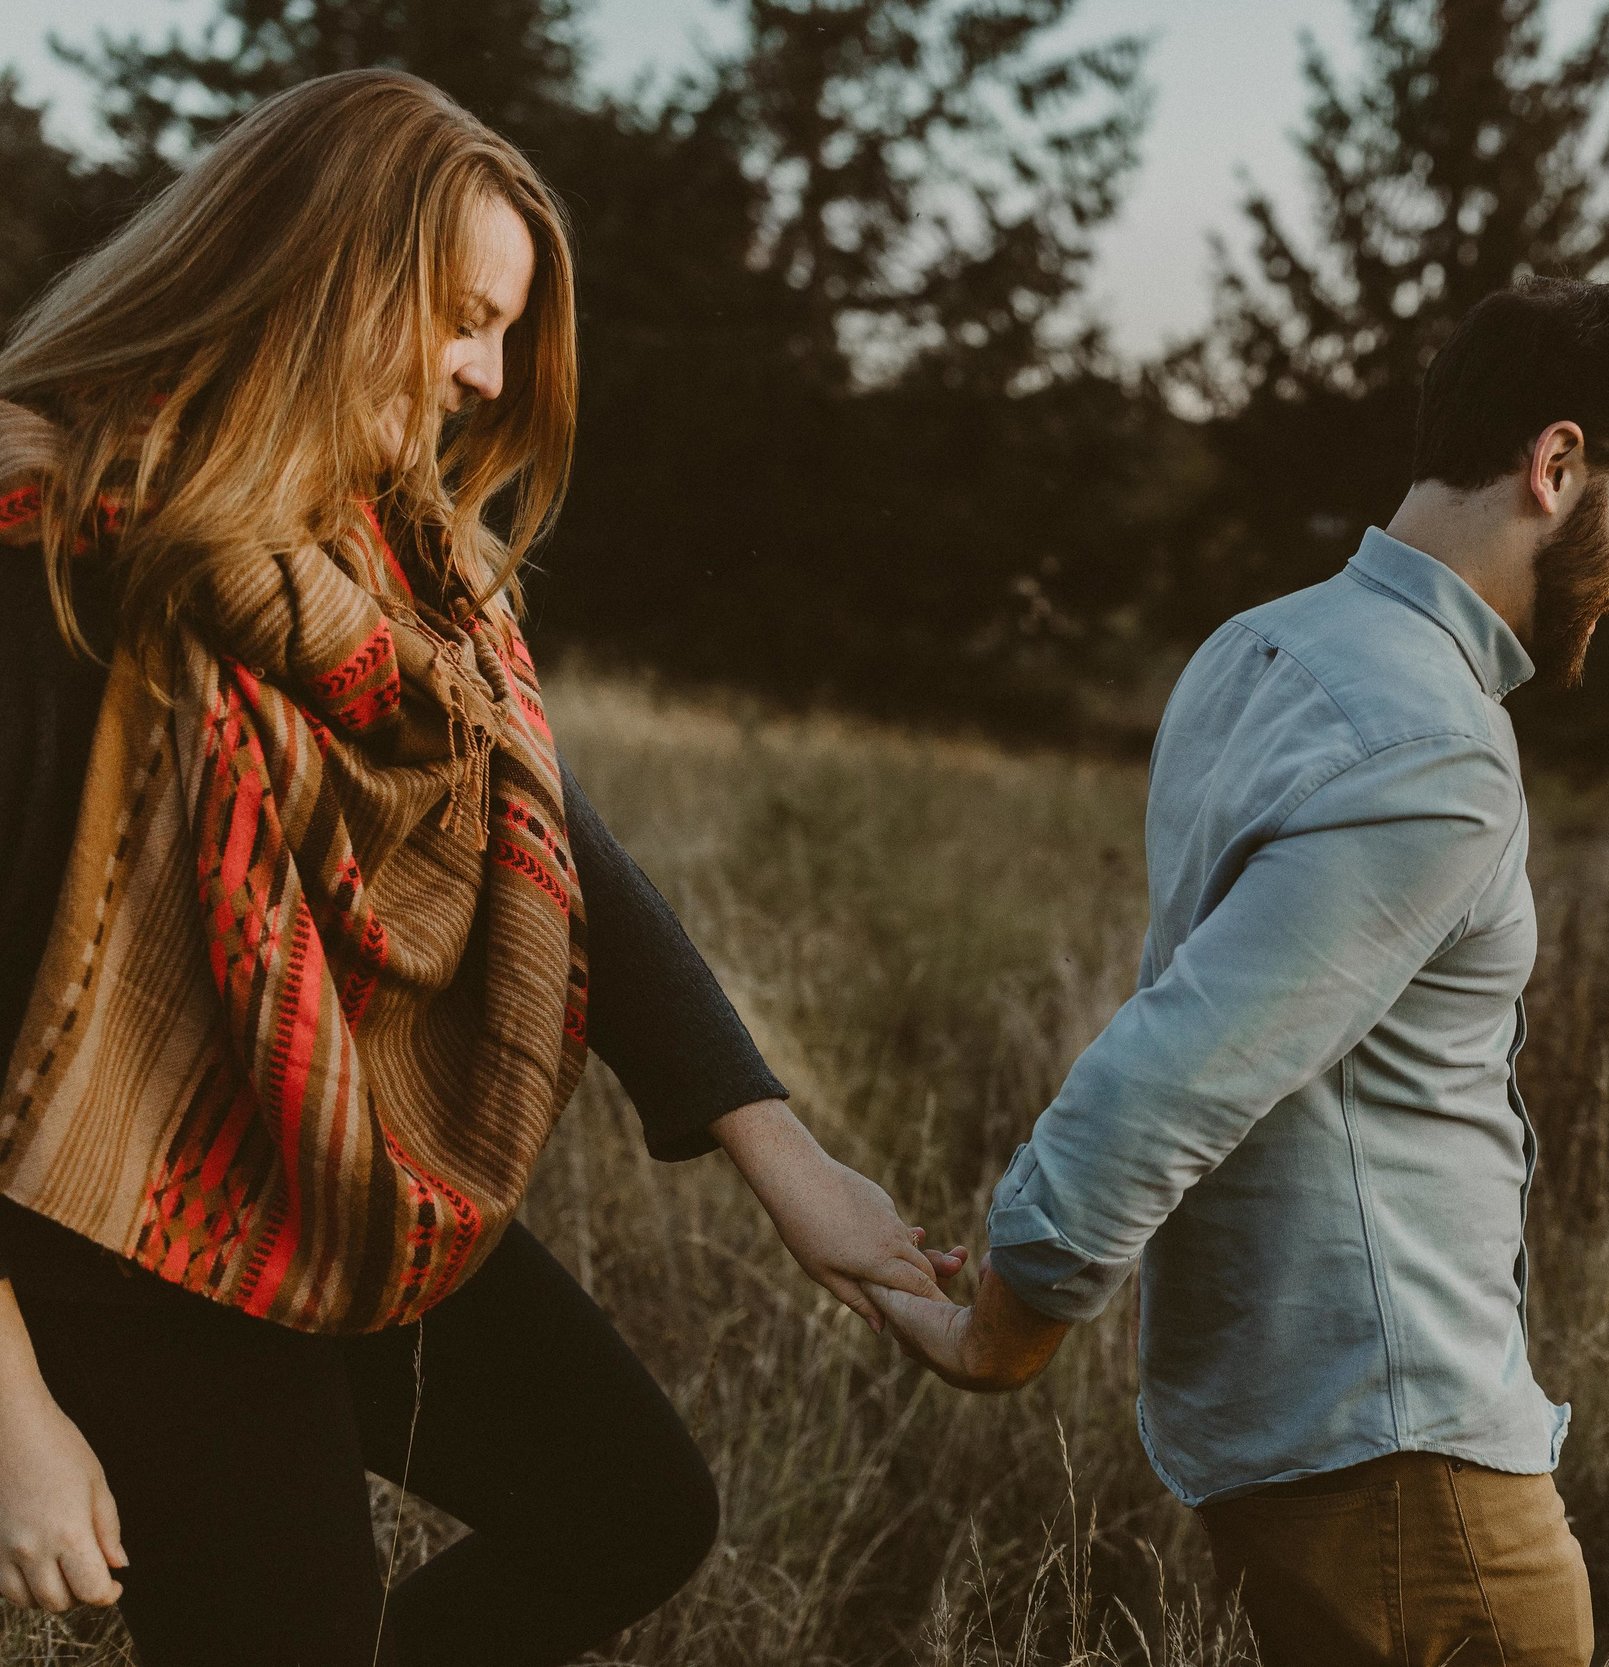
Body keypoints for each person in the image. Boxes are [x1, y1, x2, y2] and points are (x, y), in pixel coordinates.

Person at [0, 69, 957, 1664]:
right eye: (460, 316)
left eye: (505, 331)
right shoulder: (54, 550)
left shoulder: (381, 566)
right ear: (318, 271)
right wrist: (14, 1409)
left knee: (629, 1508)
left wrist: (797, 1178)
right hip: (119, 1235)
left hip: (332, 1166)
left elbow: (544, 830)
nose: (483, 375)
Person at [873, 276, 1609, 1665]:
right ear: (1557, 465)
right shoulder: (1435, 745)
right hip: (1410, 1464)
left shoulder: (1254, 650)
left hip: (1305, 1439)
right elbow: (1176, 1067)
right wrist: (1004, 1328)